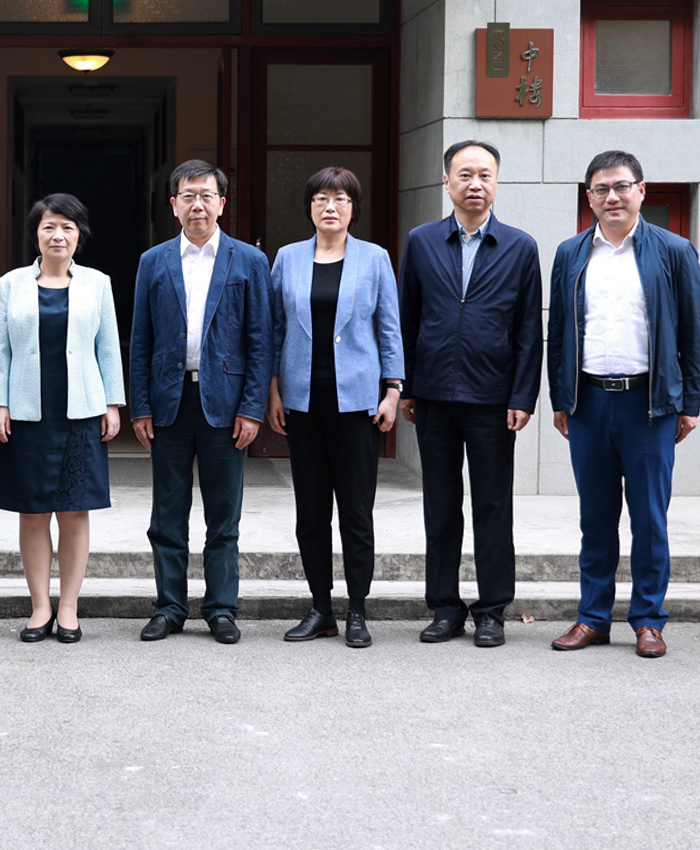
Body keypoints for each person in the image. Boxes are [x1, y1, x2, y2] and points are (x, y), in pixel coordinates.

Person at [547, 150, 700, 659]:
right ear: (589, 197)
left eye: (621, 186)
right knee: (595, 519)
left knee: (649, 519)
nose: (612, 197)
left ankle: (649, 621)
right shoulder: (571, 253)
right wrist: (560, 397)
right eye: (602, 189)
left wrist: (689, 402)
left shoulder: (673, 251)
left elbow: (695, 332)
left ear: (641, 190)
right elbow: (558, 331)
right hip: (589, 402)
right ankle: (593, 618)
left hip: (649, 405)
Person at [399, 139, 543, 648]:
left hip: (493, 400)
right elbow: (408, 318)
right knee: (440, 506)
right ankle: (444, 607)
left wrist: (522, 397)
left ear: (496, 182)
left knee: (492, 507)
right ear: (447, 182)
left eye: (484, 175)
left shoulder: (520, 247)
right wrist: (406, 387)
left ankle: (491, 611)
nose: (475, 184)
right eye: (464, 175)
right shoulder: (421, 241)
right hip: (434, 397)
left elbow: (529, 330)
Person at [129, 158, 273, 644]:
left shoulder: (248, 261)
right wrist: (140, 406)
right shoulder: (153, 261)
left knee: (223, 517)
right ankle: (169, 607)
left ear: (221, 203)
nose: (197, 205)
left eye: (206, 196)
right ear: (174, 205)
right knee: (167, 516)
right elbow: (141, 340)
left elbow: (260, 340)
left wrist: (252, 407)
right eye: (188, 196)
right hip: (168, 403)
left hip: (226, 406)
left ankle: (221, 609)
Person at [266, 167, 404, 648]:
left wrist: (393, 391)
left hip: (358, 405)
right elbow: (275, 329)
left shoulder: (374, 258)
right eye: (321, 198)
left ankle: (357, 610)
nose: (330, 206)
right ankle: (320, 608)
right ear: (309, 207)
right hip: (303, 403)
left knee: (356, 513)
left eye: (341, 199)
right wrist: (273, 390)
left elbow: (390, 327)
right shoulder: (287, 258)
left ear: (353, 209)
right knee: (310, 513)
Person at [0, 194, 124, 644]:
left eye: (67, 227)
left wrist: (113, 403)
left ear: (79, 235)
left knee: (75, 511)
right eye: (49, 226)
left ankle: (69, 607)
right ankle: (40, 605)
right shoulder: (10, 284)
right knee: (32, 512)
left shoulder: (97, 284)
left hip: (81, 410)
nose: (58, 235)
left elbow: (108, 346)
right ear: (36, 234)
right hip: (27, 412)